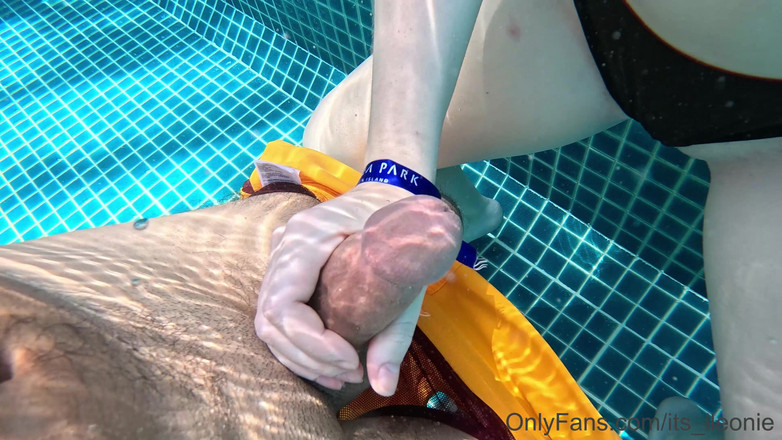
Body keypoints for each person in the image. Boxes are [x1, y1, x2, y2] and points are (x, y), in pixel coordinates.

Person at [255, 0, 782, 436]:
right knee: (335, 152)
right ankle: (469, 216)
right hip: (595, 22)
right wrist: (393, 178)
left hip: (767, 143)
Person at [0, 185, 476, 439]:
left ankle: (458, 213)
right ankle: (464, 215)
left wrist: (393, 177)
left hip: (230, 263)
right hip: (233, 256)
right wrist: (395, 180)